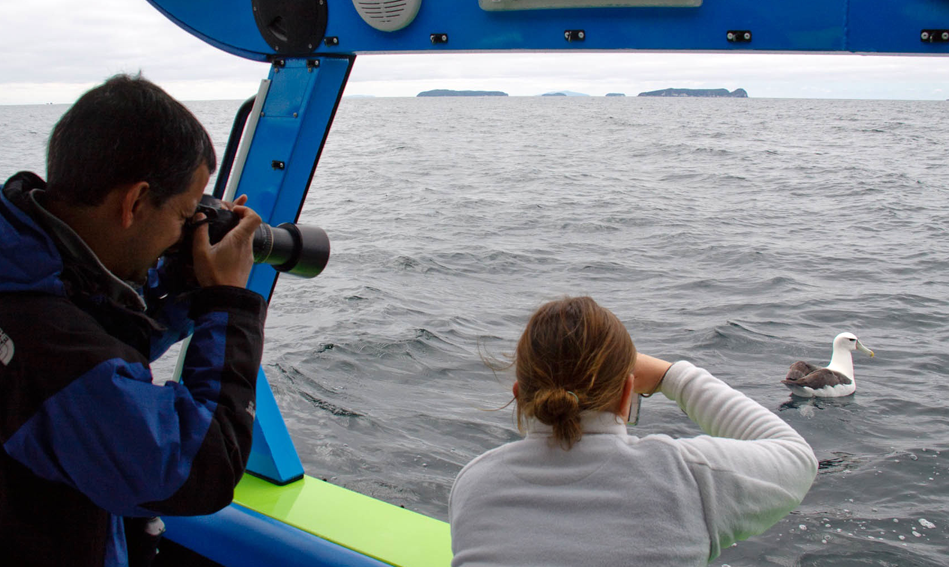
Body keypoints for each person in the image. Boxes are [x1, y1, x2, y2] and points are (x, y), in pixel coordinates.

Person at [0, 74, 267, 567]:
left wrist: (186, 290)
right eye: (185, 215)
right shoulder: (52, 351)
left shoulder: (24, 274)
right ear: (135, 202)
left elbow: (99, 338)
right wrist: (228, 302)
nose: (185, 232)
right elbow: (201, 469)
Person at [449, 296, 818, 566]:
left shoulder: (474, 483)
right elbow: (797, 459)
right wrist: (674, 377)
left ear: (519, 396)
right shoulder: (684, 477)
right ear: (628, 392)